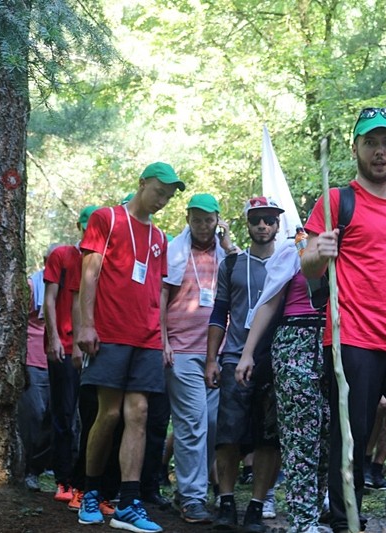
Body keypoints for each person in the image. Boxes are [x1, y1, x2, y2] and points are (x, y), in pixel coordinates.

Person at [301, 106, 386, 533]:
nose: (379, 151)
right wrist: (318, 252)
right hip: (353, 339)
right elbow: (308, 266)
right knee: (351, 437)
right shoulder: (336, 201)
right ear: (356, 148)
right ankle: (347, 521)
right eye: (370, 143)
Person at [76, 162, 184, 532]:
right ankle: (90, 493)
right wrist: (86, 324)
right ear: (142, 184)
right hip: (110, 333)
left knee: (138, 413)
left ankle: (128, 503)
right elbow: (89, 273)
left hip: (147, 338)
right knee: (108, 414)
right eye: (159, 192)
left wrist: (162, 337)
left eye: (168, 197)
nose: (162, 201)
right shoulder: (107, 219)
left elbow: (156, 290)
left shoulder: (160, 237)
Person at [235, 228, 329, 533]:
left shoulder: (349, 251)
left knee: (328, 436)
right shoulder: (294, 250)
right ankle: (304, 522)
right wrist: (247, 353)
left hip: (336, 344)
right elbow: (269, 301)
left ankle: (314, 512)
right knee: (300, 434)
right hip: (294, 342)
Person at [205, 196, 283, 532]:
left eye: (269, 219)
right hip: (234, 357)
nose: (263, 225)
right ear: (247, 224)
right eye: (256, 220)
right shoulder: (232, 264)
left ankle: (256, 507)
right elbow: (218, 312)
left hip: (275, 361)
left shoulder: (289, 263)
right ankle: (226, 503)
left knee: (269, 438)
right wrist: (212, 359)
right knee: (228, 433)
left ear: (278, 224)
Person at [161, 193, 233, 523]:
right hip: (182, 350)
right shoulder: (174, 251)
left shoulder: (225, 254)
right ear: (187, 219)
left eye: (209, 220)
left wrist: (229, 245)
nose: (203, 226)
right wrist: (163, 341)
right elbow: (161, 297)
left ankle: (190, 490)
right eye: (197, 219)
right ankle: (192, 497)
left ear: (218, 220)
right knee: (192, 422)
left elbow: (242, 283)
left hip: (216, 353)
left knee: (213, 424)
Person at [44, 206, 99, 504]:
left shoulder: (104, 260)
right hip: (64, 347)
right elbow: (50, 299)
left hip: (95, 349)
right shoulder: (62, 256)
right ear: (80, 227)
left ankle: (84, 481)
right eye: (88, 227)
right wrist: (53, 338)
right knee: (64, 413)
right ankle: (63, 479)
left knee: (91, 415)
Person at [19, 245, 58, 492]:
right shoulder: (31, 286)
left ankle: (41, 466)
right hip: (33, 360)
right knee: (33, 415)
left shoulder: (67, 287)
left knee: (53, 419)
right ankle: (26, 470)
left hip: (58, 361)